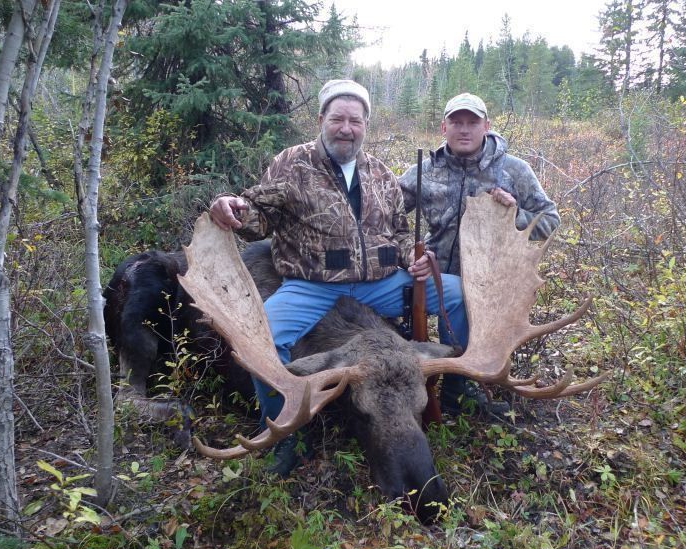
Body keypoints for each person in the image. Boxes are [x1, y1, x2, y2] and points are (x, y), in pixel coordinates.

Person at [208, 79, 468, 476]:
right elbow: (259, 217)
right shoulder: (293, 163)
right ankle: (284, 431)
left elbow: (399, 231)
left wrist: (413, 258)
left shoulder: (380, 173)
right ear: (321, 120)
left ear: (366, 125)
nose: (346, 128)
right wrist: (232, 208)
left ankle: (456, 391)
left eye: (355, 121)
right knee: (263, 340)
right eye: (338, 119)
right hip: (312, 286)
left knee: (457, 293)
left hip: (378, 283)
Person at [399, 92, 560, 416]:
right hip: (435, 275)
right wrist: (405, 252)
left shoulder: (513, 170)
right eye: (456, 122)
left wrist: (516, 214)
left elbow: (550, 221)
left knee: (476, 343)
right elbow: (384, 210)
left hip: (491, 280)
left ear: (486, 126)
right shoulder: (424, 171)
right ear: (444, 127)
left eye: (472, 122)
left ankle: (459, 392)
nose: (464, 129)